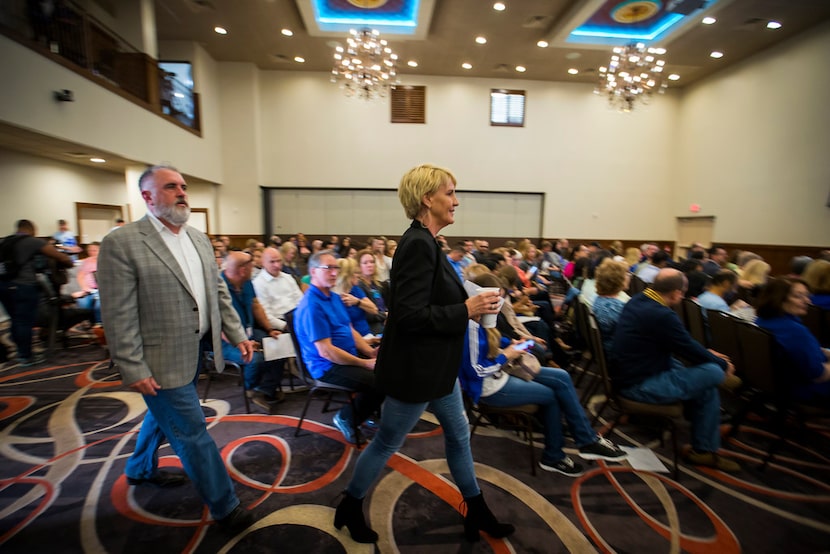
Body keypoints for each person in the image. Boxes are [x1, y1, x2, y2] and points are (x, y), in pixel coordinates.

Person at [334, 164, 513, 545]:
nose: (456, 200)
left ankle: (476, 511)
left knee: (459, 436)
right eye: (450, 193)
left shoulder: (427, 243)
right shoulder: (417, 244)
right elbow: (411, 316)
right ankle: (349, 505)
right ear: (427, 198)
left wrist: (467, 301)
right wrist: (468, 308)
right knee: (386, 442)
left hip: (437, 367)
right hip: (417, 370)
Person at [97, 165, 256, 533]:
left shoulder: (198, 238)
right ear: (148, 197)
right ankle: (225, 506)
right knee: (191, 430)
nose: (182, 192)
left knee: (161, 413)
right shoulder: (123, 242)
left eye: (183, 186)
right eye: (171, 187)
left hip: (194, 349)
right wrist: (132, 367)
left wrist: (236, 332)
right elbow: (117, 313)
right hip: (157, 356)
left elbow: (216, 293)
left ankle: (138, 469)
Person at [459, 273, 627, 476]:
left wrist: (510, 344)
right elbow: (475, 371)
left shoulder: (482, 319)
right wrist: (507, 355)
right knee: (551, 395)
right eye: (496, 299)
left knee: (562, 377)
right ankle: (555, 454)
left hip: (499, 374)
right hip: (488, 387)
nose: (499, 304)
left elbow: (494, 339)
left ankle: (585, 440)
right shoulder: (469, 326)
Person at [611, 268, 741, 472]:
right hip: (638, 385)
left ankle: (704, 449)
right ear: (677, 293)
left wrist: (709, 356)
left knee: (707, 384)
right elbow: (687, 347)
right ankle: (705, 443)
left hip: (632, 374)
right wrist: (723, 365)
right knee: (713, 373)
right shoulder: (661, 314)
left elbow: (682, 344)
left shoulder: (639, 299)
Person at [293, 250, 384, 444]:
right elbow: (326, 351)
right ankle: (346, 418)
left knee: (389, 366)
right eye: (328, 268)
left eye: (336, 268)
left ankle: (362, 410)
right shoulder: (312, 305)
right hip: (326, 366)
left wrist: (369, 351)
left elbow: (349, 329)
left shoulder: (333, 296)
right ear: (313, 272)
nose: (334, 273)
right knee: (380, 381)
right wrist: (364, 363)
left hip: (344, 357)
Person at [0, 219, 72, 365]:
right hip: (23, 286)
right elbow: (62, 257)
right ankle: (25, 357)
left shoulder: (5, 241)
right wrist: (68, 262)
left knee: (15, 320)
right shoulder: (32, 241)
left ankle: (20, 352)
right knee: (25, 321)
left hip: (3, 285)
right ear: (32, 229)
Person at [221, 250, 284, 412]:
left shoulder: (246, 282)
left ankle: (265, 390)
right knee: (255, 358)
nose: (254, 267)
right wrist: (242, 342)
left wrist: (269, 330)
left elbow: (256, 305)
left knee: (278, 346)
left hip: (248, 331)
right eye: (251, 265)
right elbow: (217, 326)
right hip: (224, 341)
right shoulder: (217, 287)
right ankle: (251, 389)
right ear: (243, 270)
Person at [756, 278, 830, 402]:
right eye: (798, 296)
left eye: (807, 296)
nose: (807, 300)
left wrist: (820, 351)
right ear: (779, 298)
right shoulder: (795, 331)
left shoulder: (762, 320)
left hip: (776, 386)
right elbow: (818, 375)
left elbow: (792, 353)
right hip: (804, 390)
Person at [75, 242, 101, 325]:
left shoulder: (106, 261)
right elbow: (80, 276)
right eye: (90, 250)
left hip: (101, 290)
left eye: (94, 250)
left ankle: (99, 324)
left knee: (99, 306)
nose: (91, 252)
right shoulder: (86, 261)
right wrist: (84, 288)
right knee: (83, 303)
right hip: (88, 289)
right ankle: (87, 324)